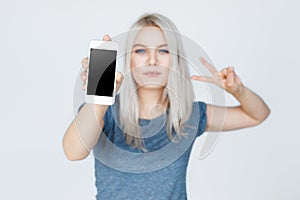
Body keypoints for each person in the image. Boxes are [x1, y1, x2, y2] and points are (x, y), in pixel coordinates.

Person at [62, 13, 270, 200]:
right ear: (129, 59)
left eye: (163, 50)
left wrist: (237, 90)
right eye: (141, 50)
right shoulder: (104, 113)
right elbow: (73, 152)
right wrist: (100, 99)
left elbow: (257, 115)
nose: (152, 60)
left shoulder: (190, 115)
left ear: (176, 60)